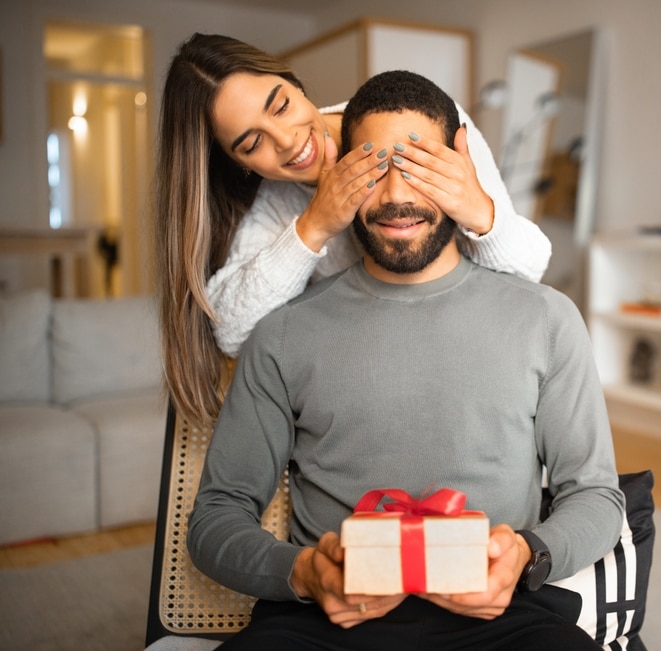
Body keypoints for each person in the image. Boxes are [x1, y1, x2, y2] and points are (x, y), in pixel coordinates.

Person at [187, 69, 624, 650]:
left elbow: (595, 495)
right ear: (340, 177)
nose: (396, 195)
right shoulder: (281, 335)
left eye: (416, 165)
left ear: (458, 164)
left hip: (504, 618)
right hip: (322, 624)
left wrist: (527, 555)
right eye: (371, 169)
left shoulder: (547, 319)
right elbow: (216, 517)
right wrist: (301, 572)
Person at [153, 33, 552, 429]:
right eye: (253, 143)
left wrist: (478, 210)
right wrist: (315, 226)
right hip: (376, 386)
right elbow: (232, 331)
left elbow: (526, 275)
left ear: (294, 83)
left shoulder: (424, 123)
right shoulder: (279, 200)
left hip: (469, 364)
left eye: (281, 106)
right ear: (235, 161)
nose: (288, 141)